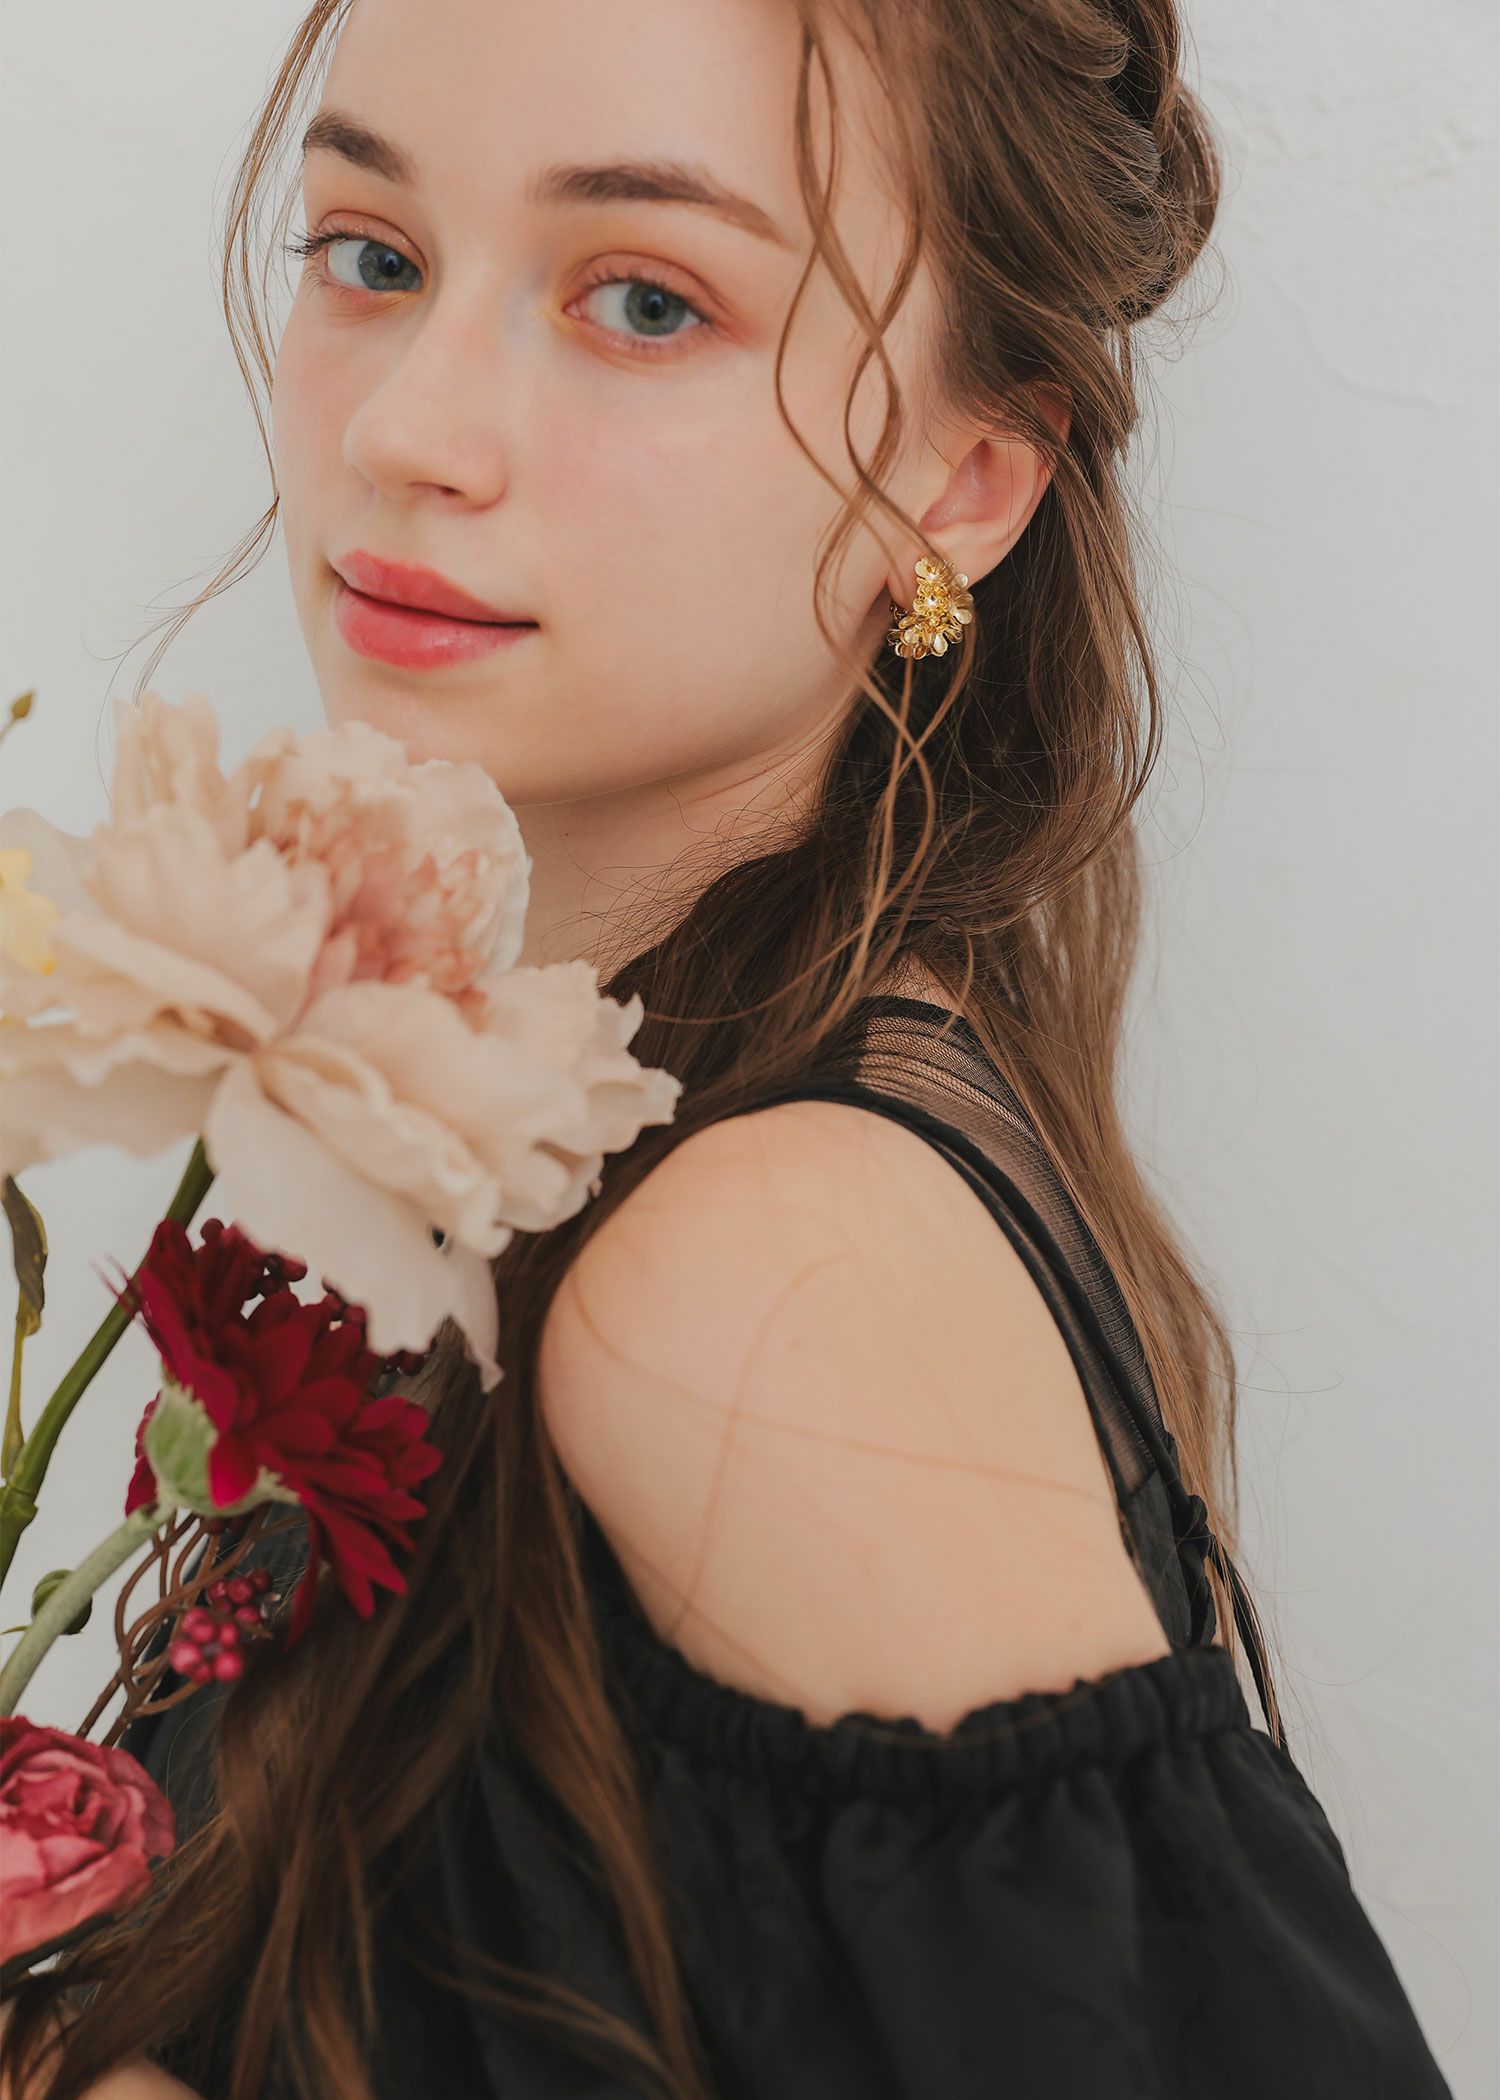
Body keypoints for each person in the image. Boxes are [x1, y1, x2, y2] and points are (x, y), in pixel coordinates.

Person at [0, 0, 1456, 2095]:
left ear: (960, 483)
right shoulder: (601, 1134)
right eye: (371, 253)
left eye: (647, 301)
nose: (407, 425)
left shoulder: (765, 1267)